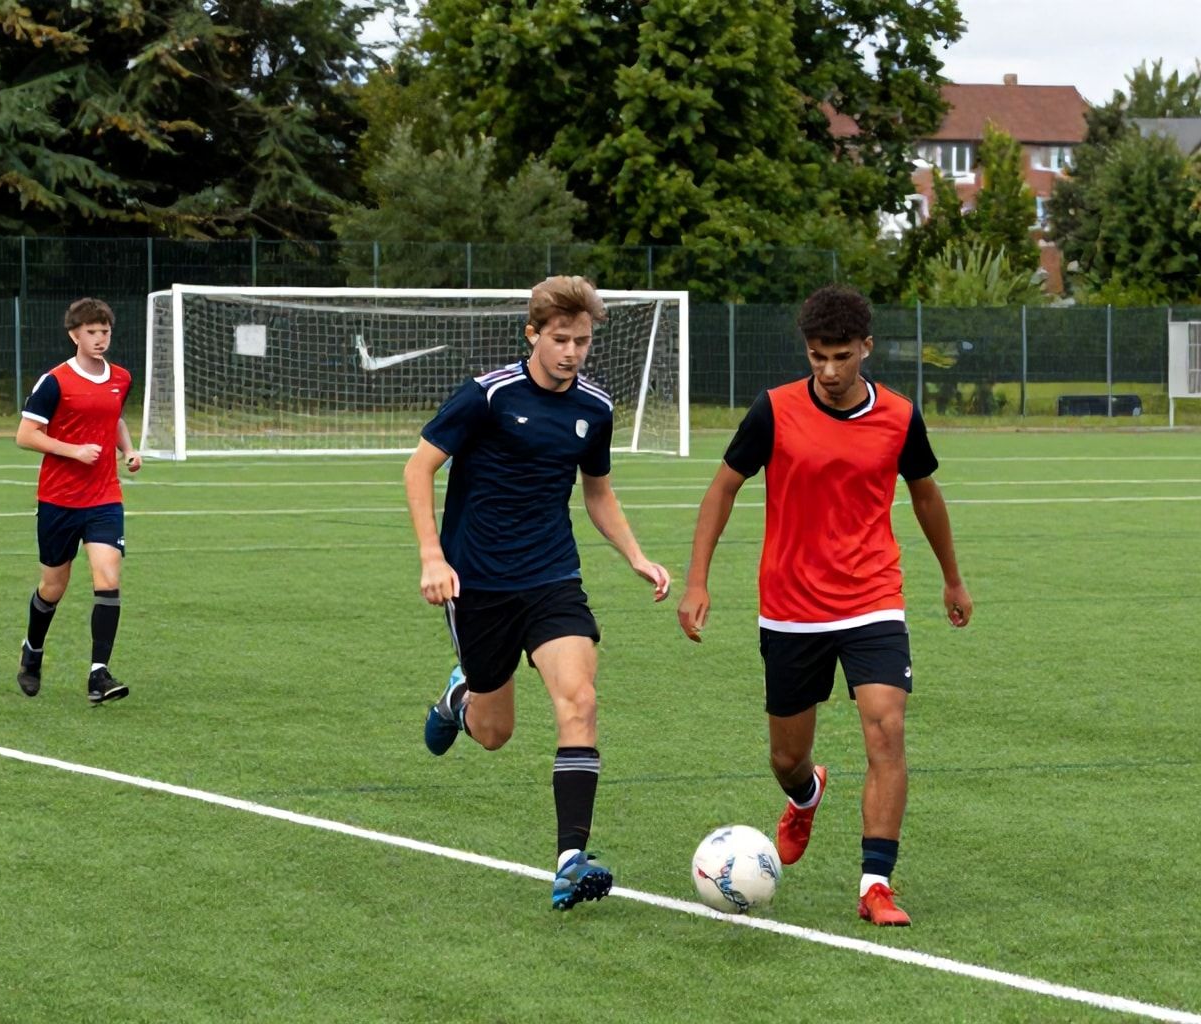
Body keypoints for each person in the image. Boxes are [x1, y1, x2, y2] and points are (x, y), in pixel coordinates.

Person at [676, 285, 971, 927]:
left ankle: (875, 884)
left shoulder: (898, 416)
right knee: (786, 757)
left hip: (872, 598)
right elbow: (721, 491)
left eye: (841, 356)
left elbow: (925, 497)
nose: (830, 372)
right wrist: (698, 581)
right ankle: (806, 796)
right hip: (790, 608)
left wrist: (952, 578)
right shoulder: (774, 411)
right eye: (817, 357)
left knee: (886, 728)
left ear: (866, 347)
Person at [403, 275, 671, 910]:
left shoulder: (595, 408)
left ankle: (571, 858)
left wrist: (635, 555)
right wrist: (431, 557)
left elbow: (597, 491)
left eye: (582, 341)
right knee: (494, 733)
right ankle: (460, 696)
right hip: (479, 586)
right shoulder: (488, 396)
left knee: (579, 699)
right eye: (559, 339)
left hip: (552, 578)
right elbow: (418, 468)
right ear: (532, 334)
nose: (572, 352)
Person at [15, 298, 142, 705]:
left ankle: (98, 675)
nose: (100, 338)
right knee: (53, 586)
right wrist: (72, 451)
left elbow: (115, 417)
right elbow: (26, 435)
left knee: (108, 580)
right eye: (91, 331)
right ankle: (32, 651)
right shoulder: (53, 381)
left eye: (104, 331)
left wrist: (127, 450)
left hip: (104, 497)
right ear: (74, 335)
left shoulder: (121, 377)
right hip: (59, 500)